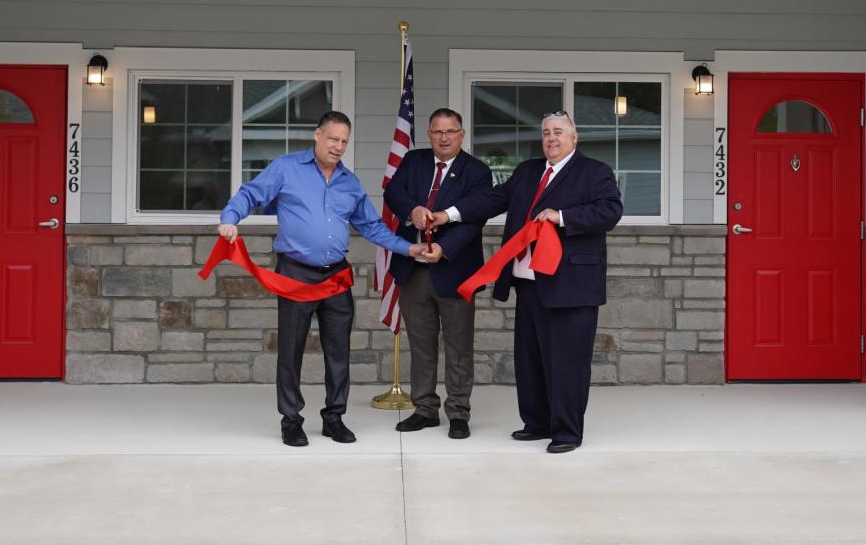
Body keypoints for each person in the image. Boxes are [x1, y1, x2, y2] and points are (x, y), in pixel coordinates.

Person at [218, 111, 433, 447]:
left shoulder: (350, 182)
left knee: (338, 353)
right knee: (290, 351)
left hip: (335, 278)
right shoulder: (287, 168)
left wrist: (409, 249)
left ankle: (334, 417)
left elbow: (372, 227)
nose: (338, 146)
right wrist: (230, 219)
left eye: (344, 141)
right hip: (296, 275)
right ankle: (291, 420)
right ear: (318, 135)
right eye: (333, 139)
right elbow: (250, 194)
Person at [430, 111, 621, 453]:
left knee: (567, 362)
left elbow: (610, 211)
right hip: (528, 282)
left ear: (573, 138)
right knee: (529, 358)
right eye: (546, 132)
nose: (551, 138)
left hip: (571, 286)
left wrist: (561, 217)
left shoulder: (594, 172)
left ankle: (566, 432)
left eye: (559, 132)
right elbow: (491, 199)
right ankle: (536, 422)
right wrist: (449, 214)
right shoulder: (528, 171)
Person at [383, 108, 492, 439]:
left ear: (461, 134)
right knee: (421, 345)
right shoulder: (414, 161)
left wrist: (445, 249)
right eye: (437, 132)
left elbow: (475, 220)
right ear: (428, 134)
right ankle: (425, 409)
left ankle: (458, 412)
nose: (443, 138)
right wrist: (411, 209)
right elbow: (393, 192)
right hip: (413, 268)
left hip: (454, 270)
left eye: (450, 131)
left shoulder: (477, 171)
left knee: (458, 346)